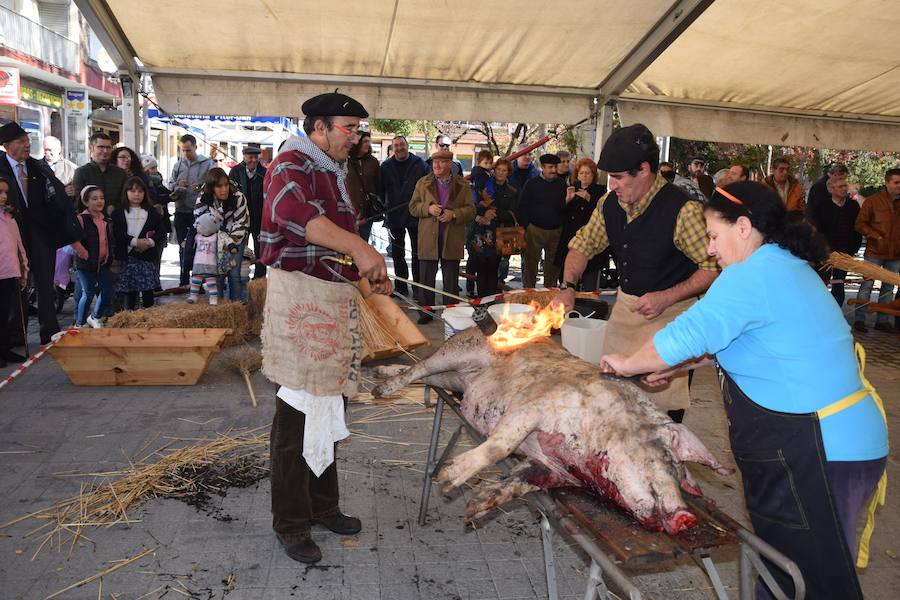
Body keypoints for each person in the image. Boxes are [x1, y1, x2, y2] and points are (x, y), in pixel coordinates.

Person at [599, 181, 888, 600]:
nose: (711, 250)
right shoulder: (782, 266)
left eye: (714, 237)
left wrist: (625, 363)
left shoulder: (753, 275)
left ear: (744, 227)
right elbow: (745, 342)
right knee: (783, 570)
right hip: (835, 443)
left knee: (812, 581)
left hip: (820, 448)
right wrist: (676, 366)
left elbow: (688, 332)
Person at [260, 91, 391, 565]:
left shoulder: (331, 166)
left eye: (358, 130)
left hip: (330, 298)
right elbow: (296, 218)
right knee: (295, 415)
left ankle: (323, 506)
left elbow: (336, 241)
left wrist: (368, 267)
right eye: (348, 128)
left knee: (330, 408)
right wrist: (359, 247)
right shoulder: (290, 163)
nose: (355, 138)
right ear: (319, 127)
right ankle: (290, 523)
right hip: (299, 299)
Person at [555, 124, 718, 421]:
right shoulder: (608, 205)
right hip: (626, 314)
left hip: (670, 321)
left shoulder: (683, 211)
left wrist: (667, 297)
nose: (612, 185)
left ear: (643, 170)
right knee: (614, 407)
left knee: (659, 418)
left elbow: (713, 268)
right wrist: (567, 286)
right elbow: (582, 245)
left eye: (617, 177)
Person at [0, 122, 65, 345]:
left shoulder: (37, 167)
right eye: (21, 141)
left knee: (45, 283)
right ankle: (16, 335)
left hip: (40, 233)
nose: (27, 145)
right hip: (9, 234)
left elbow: (53, 194)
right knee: (16, 284)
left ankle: (49, 330)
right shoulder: (0, 167)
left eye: (28, 140)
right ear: (7, 146)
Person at [409, 149, 476, 323]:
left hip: (451, 237)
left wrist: (453, 214)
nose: (437, 165)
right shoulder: (422, 183)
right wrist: (428, 209)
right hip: (428, 237)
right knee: (426, 278)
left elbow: (471, 210)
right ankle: (426, 313)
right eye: (434, 162)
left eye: (441, 162)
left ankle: (451, 314)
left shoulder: (462, 185)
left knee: (450, 280)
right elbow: (413, 207)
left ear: (450, 164)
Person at [379, 135, 428, 297]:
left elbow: (427, 188)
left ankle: (417, 287)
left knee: (417, 253)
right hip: (394, 215)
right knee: (398, 252)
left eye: (402, 145)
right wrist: (384, 206)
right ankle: (400, 286)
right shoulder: (385, 166)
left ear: (407, 146)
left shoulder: (420, 164)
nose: (399, 148)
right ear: (393, 149)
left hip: (415, 214)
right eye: (396, 146)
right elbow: (380, 190)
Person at [853, 167, 900, 332]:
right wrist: (875, 236)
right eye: (896, 182)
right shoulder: (873, 201)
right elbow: (859, 224)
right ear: (886, 183)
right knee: (867, 285)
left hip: (895, 253)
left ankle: (882, 321)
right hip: (874, 251)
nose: (899, 186)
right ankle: (860, 319)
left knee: (888, 287)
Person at [194, 168, 250, 302]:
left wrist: (229, 242)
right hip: (212, 240)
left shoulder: (238, 197)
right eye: (219, 186)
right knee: (215, 276)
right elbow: (199, 222)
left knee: (235, 276)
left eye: (225, 185)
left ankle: (236, 306)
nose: (224, 189)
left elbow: (242, 222)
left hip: (235, 239)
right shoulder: (203, 199)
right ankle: (217, 306)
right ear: (212, 188)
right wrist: (215, 239)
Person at [554, 158, 609, 291]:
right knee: (568, 281)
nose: (584, 176)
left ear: (593, 175)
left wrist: (589, 199)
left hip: (591, 239)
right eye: (581, 173)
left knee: (590, 283)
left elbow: (603, 212)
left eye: (588, 173)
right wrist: (567, 200)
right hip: (570, 239)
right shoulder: (571, 189)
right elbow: (559, 212)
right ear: (577, 175)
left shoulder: (600, 191)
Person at [805, 177, 861, 307]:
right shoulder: (822, 206)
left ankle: (836, 313)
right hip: (825, 253)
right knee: (821, 283)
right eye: (840, 186)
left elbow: (857, 228)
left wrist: (854, 248)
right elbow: (816, 229)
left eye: (845, 186)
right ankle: (819, 311)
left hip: (845, 253)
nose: (844, 189)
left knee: (839, 285)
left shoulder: (853, 206)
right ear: (831, 189)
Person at [111, 177, 165, 310]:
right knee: (129, 293)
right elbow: (117, 233)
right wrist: (135, 242)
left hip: (146, 257)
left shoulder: (152, 212)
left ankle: (149, 320)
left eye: (140, 191)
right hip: (127, 257)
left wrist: (149, 242)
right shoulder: (118, 213)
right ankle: (130, 317)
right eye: (133, 191)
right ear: (126, 192)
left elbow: (161, 232)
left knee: (148, 292)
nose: (137, 194)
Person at [469, 158, 518, 297]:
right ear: (494, 170)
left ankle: (489, 299)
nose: (501, 173)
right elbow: (473, 207)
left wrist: (494, 214)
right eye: (498, 170)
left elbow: (513, 213)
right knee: (481, 267)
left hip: (499, 234)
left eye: (504, 170)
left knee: (493, 268)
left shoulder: (512, 191)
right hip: (481, 231)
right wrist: (484, 213)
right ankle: (480, 299)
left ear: (508, 173)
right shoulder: (483, 187)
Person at [169, 134, 213, 287]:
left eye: (188, 150)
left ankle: (197, 282)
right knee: (182, 246)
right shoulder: (178, 165)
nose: (186, 153)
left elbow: (214, 183)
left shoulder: (208, 164)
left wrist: (201, 187)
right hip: (181, 211)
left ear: (195, 147)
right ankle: (183, 280)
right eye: (183, 150)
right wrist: (177, 186)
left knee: (198, 248)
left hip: (199, 214)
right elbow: (169, 185)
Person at [518, 153, 566, 288]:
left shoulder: (561, 184)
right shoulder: (532, 184)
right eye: (550, 167)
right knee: (531, 264)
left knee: (553, 267)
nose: (553, 170)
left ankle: (549, 296)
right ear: (542, 168)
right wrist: (526, 227)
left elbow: (564, 206)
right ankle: (528, 294)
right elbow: (522, 206)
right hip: (535, 230)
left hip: (555, 231)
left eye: (555, 167)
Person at [72, 186, 113, 328]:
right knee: (88, 293)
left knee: (107, 292)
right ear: (86, 202)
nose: (99, 201)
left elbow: (108, 241)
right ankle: (80, 323)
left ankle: (95, 316)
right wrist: (86, 255)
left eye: (101, 198)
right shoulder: (81, 219)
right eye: (94, 199)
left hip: (102, 263)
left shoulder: (106, 220)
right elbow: (74, 241)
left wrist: (108, 256)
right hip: (86, 265)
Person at [0, 177, 28, 367]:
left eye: (5, 192)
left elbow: (19, 246)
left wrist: (23, 269)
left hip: (10, 272)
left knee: (5, 314)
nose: (3, 196)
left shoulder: (9, 218)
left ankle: (4, 348)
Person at [229, 145, 268, 278]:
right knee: (240, 249)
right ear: (244, 157)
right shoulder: (235, 171)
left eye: (256, 157)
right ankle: (239, 277)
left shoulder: (264, 173)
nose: (253, 160)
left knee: (260, 250)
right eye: (250, 157)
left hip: (259, 218)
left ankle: (259, 278)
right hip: (241, 218)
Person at [464, 150, 495, 297]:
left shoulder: (487, 176)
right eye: (485, 163)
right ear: (479, 163)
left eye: (490, 163)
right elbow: (479, 198)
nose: (488, 165)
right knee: (474, 256)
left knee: (482, 258)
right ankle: (471, 287)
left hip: (484, 221)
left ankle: (479, 288)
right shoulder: (479, 177)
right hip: (476, 222)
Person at [72, 133, 128, 214]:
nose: (105, 151)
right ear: (91, 148)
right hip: (90, 221)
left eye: (108, 147)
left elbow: (124, 199)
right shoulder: (81, 172)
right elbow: (78, 202)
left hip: (116, 220)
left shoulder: (120, 173)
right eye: (100, 147)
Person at [345, 131, 381, 242]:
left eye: (368, 142)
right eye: (365, 141)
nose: (367, 144)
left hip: (366, 212)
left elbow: (378, 185)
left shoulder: (373, 162)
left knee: (362, 243)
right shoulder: (345, 160)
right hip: (348, 211)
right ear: (357, 142)